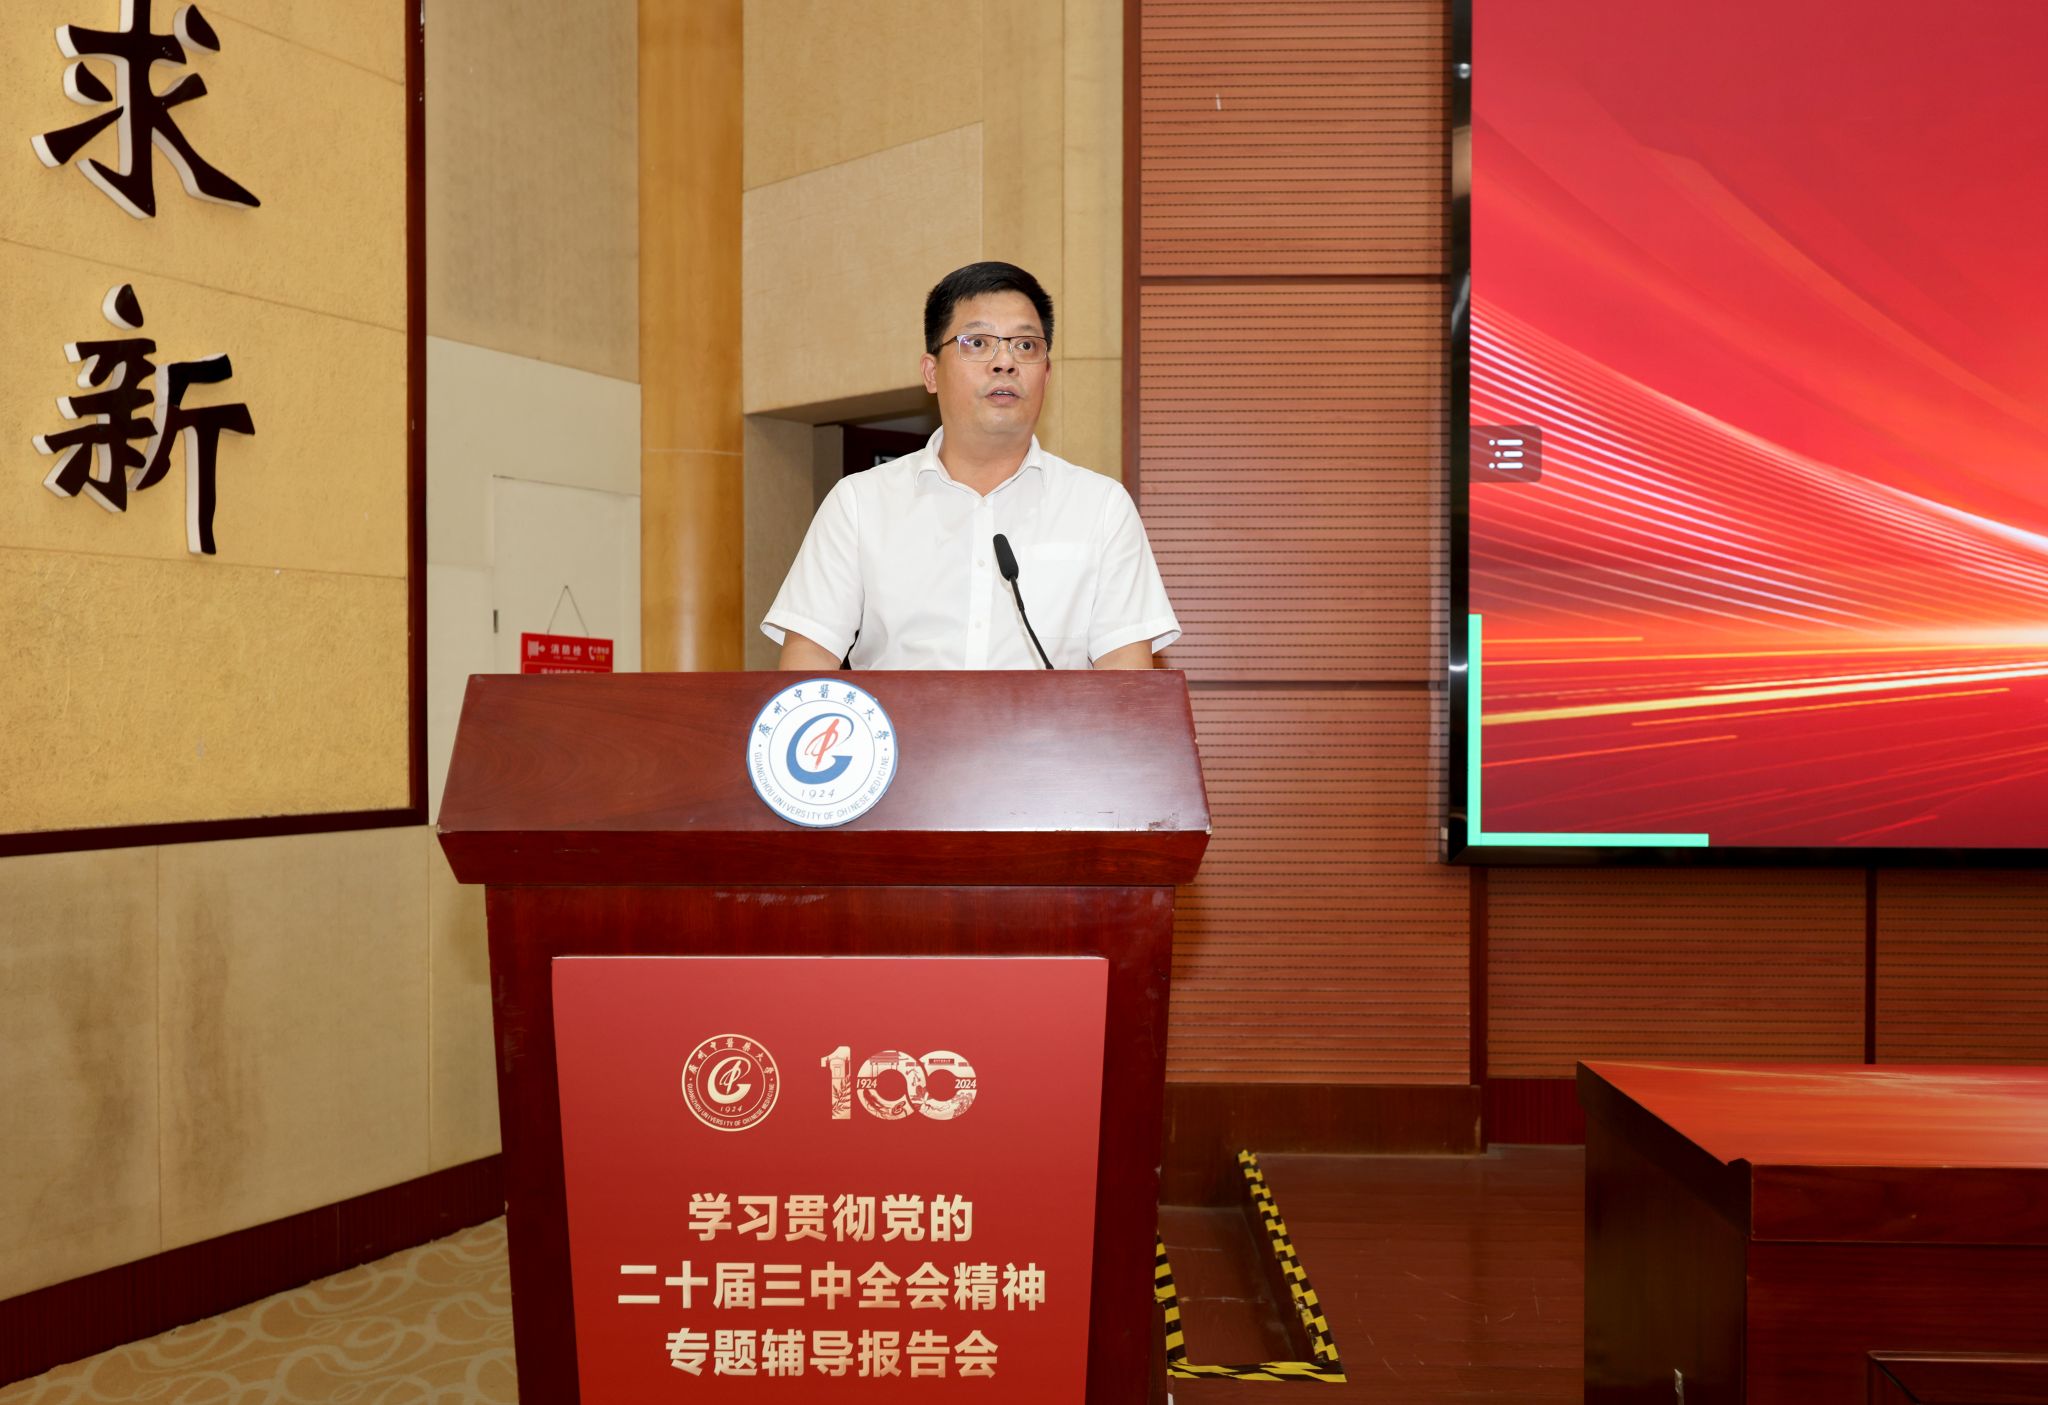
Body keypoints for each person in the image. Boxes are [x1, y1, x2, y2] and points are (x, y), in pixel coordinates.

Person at [762, 262, 1180, 670]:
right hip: (904, 723)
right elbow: (809, 663)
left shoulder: (1101, 506)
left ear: (1047, 375)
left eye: (1026, 345)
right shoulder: (859, 503)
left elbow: (1127, 678)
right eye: (977, 343)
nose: (1005, 362)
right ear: (931, 373)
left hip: (1053, 724)